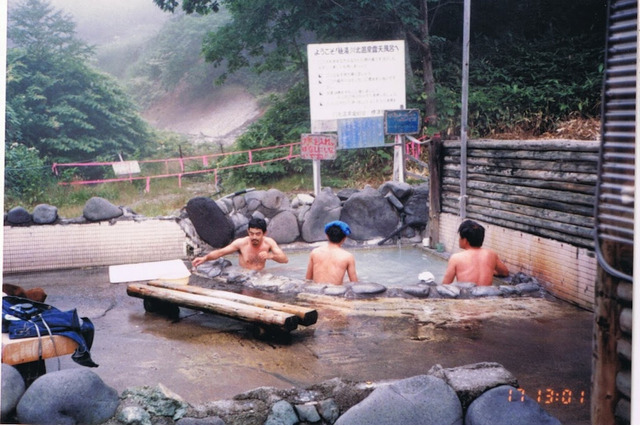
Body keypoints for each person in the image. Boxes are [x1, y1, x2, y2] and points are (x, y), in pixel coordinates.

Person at [191, 217, 288, 271]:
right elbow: (221, 252)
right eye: (251, 233)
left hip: (260, 275)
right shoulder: (241, 243)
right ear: (248, 231)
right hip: (244, 276)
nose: (254, 237)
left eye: (258, 234)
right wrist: (204, 258)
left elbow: (284, 260)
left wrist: (270, 256)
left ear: (264, 233)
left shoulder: (269, 242)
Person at [442, 219, 509, 286]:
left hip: (467, 295)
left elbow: (445, 286)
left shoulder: (456, 258)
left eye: (460, 237)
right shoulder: (491, 254)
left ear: (465, 240)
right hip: (486, 294)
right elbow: (505, 272)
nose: (459, 239)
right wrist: (490, 270)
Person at [306, 220, 358, 285]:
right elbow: (355, 284)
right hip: (335, 292)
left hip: (317, 291)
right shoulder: (348, 256)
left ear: (327, 236)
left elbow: (307, 280)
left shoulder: (315, 252)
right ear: (344, 238)